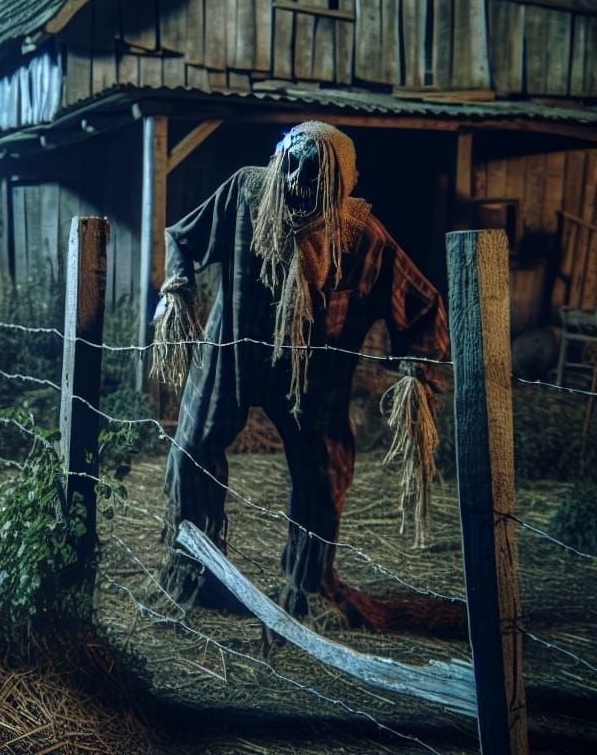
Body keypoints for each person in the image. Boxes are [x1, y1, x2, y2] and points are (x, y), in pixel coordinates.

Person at [153, 121, 461, 631]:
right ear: (276, 162)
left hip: (313, 372)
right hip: (235, 348)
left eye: (314, 172)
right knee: (193, 446)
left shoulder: (362, 237)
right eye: (290, 164)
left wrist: (417, 371)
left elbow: (423, 304)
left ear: (342, 183)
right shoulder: (246, 194)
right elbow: (182, 238)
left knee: (323, 473)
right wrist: (177, 285)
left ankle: (308, 585)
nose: (296, 180)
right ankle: (195, 568)